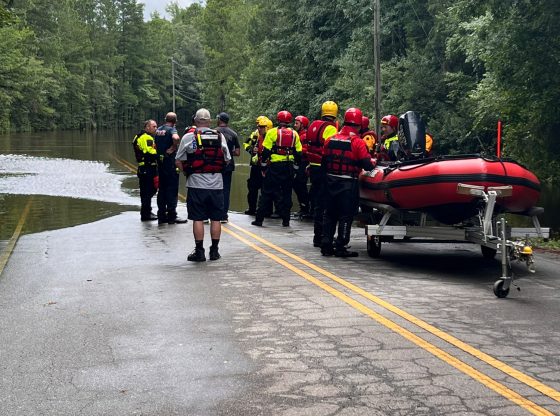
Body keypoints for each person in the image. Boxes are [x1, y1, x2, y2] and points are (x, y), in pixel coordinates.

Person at [176, 108, 231, 262]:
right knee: (216, 218)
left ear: (195, 120)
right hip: (216, 184)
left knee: (198, 218)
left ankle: (199, 252)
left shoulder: (188, 137)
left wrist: (186, 173)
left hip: (196, 184)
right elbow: (227, 159)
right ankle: (214, 251)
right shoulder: (220, 137)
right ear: (210, 121)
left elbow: (178, 160)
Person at [321, 107, 375, 257]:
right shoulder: (357, 142)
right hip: (348, 184)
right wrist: (373, 162)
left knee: (329, 214)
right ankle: (340, 246)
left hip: (330, 181)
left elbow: (324, 163)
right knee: (346, 215)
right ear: (358, 125)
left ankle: (326, 244)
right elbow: (367, 165)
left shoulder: (329, 140)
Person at [251, 110, 302, 227]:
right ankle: (286, 220)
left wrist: (263, 168)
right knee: (287, 194)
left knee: (266, 193)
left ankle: (259, 219)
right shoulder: (295, 134)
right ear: (289, 121)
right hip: (288, 167)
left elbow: (265, 152)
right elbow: (299, 154)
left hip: (274, 167)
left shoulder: (272, 132)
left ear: (278, 120)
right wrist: (295, 169)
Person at [306, 101, 339, 246]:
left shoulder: (313, 125)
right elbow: (331, 149)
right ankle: (323, 237)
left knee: (318, 203)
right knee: (326, 205)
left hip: (313, 167)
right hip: (324, 169)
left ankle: (317, 237)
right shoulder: (330, 128)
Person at [155, 112, 187, 224]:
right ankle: (172, 216)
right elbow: (176, 138)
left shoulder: (158, 130)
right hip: (170, 163)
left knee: (162, 189)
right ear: (175, 122)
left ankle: (161, 215)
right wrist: (173, 147)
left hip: (160, 163)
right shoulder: (172, 130)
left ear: (165, 119)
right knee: (172, 189)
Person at [243, 116, 271, 215]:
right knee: (252, 188)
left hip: (267, 166)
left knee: (267, 189)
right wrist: (251, 150)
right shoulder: (255, 134)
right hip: (256, 165)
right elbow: (246, 144)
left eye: (261, 126)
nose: (258, 127)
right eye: (258, 125)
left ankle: (267, 210)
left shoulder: (271, 135)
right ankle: (252, 208)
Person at [215, 112, 240, 223]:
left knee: (214, 189)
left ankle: (214, 213)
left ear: (220, 120)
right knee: (226, 190)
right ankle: (224, 216)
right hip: (228, 165)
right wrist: (229, 152)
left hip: (215, 165)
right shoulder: (233, 134)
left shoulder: (213, 132)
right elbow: (238, 152)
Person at [132, 119, 159, 221]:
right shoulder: (147, 137)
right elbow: (150, 152)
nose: (155, 128)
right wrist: (161, 154)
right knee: (149, 190)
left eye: (156, 126)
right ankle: (146, 214)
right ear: (147, 127)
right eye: (154, 126)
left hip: (143, 168)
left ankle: (146, 212)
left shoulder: (138, 136)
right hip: (148, 168)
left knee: (145, 191)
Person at [292, 115, 310, 217]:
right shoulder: (298, 135)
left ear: (302, 125)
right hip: (299, 162)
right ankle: (303, 207)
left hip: (303, 163)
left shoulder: (304, 136)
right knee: (297, 185)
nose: (294, 125)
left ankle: (305, 208)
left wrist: (294, 150)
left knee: (300, 185)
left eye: (297, 123)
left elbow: (306, 150)